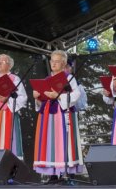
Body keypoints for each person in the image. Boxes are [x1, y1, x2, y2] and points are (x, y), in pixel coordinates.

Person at [33, 50, 84, 182]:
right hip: (48, 115)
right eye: (52, 61)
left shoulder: (68, 78)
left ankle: (64, 172)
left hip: (62, 114)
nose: (54, 64)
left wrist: (58, 96)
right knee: (49, 142)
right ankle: (52, 174)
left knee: (62, 141)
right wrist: (37, 97)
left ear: (63, 63)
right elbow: (42, 101)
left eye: (57, 61)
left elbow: (76, 95)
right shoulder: (46, 80)